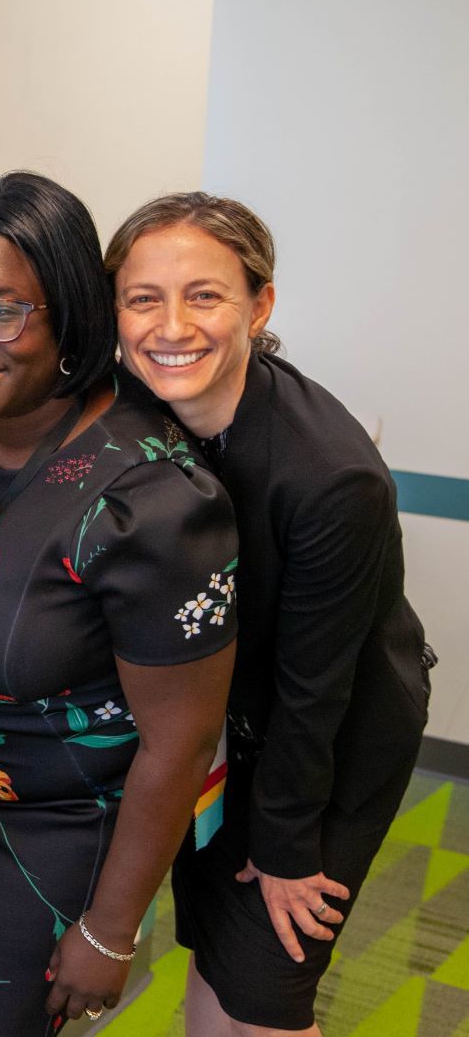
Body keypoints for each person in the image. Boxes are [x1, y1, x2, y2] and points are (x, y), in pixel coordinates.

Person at [0, 171, 237, 1034]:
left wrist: (108, 932)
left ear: (68, 316)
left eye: (3, 310)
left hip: (57, 840)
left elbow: (179, 746)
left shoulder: (150, 502)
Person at [106, 192, 431, 1036]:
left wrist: (289, 852)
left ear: (261, 304)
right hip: (219, 730)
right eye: (144, 298)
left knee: (267, 993)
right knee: (216, 955)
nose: (171, 325)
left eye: (205, 295)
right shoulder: (138, 414)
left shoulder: (332, 478)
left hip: (322, 747)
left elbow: (315, 691)